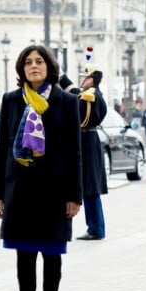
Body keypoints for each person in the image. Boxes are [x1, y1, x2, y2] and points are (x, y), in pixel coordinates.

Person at [0, 45, 82, 291]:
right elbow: (3, 148)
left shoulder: (66, 102)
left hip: (54, 194)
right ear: (22, 69)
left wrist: (75, 196)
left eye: (39, 61)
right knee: (25, 259)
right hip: (20, 193)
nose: (33, 66)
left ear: (49, 66)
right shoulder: (12, 100)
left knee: (52, 260)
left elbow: (74, 153)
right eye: (28, 62)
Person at [59, 65, 108, 240]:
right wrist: (62, 78)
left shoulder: (91, 95)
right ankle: (95, 227)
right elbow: (76, 93)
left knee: (90, 187)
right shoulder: (90, 94)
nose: (82, 80)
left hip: (87, 141)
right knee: (89, 187)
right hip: (87, 140)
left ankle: (96, 228)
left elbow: (77, 103)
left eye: (84, 77)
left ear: (91, 79)